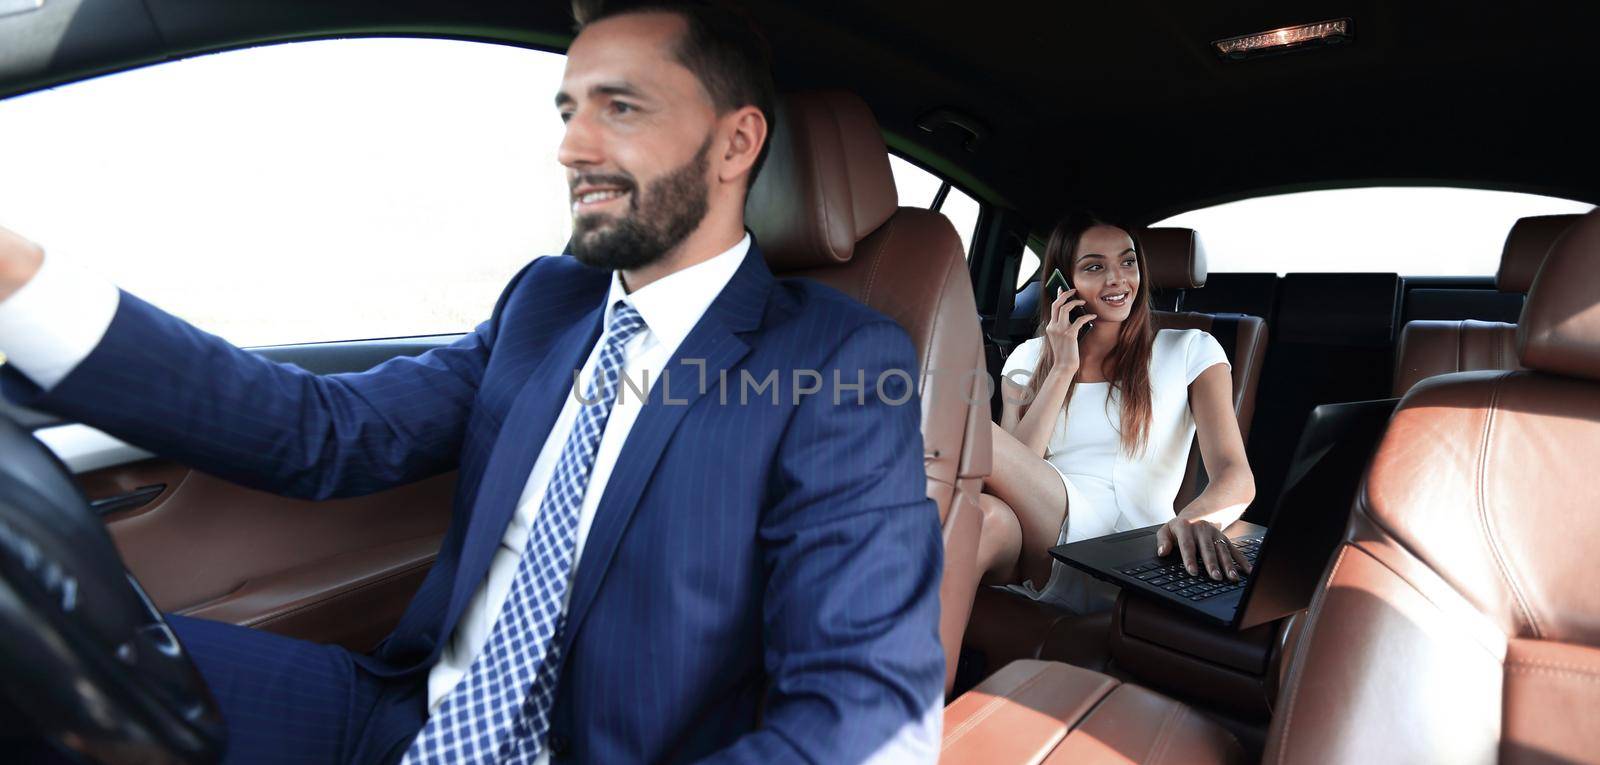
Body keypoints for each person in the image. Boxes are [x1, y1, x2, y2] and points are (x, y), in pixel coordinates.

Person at [0, 2, 945, 763]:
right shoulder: (546, 303)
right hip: (392, 719)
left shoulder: (838, 363)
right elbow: (322, 431)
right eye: (568, 111)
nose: (573, 149)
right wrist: (18, 282)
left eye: (621, 107)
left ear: (737, 144)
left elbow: (861, 708)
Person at [976, 213, 1256, 614]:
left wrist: (1196, 520)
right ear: (1061, 282)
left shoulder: (1191, 349)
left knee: (968, 430)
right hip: (1035, 539)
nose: (1117, 279)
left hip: (1122, 549)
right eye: (1094, 267)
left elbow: (1235, 473)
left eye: (1128, 262)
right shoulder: (1028, 357)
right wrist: (1061, 368)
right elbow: (1014, 468)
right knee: (986, 516)